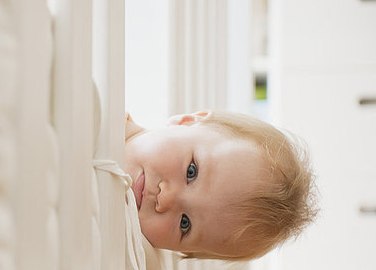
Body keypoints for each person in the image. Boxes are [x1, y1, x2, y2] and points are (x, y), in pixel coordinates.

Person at [125, 110, 318, 262]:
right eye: (191, 172)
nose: (165, 198)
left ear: (181, 250)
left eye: (185, 223)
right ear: (187, 122)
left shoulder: (121, 251)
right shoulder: (102, 114)